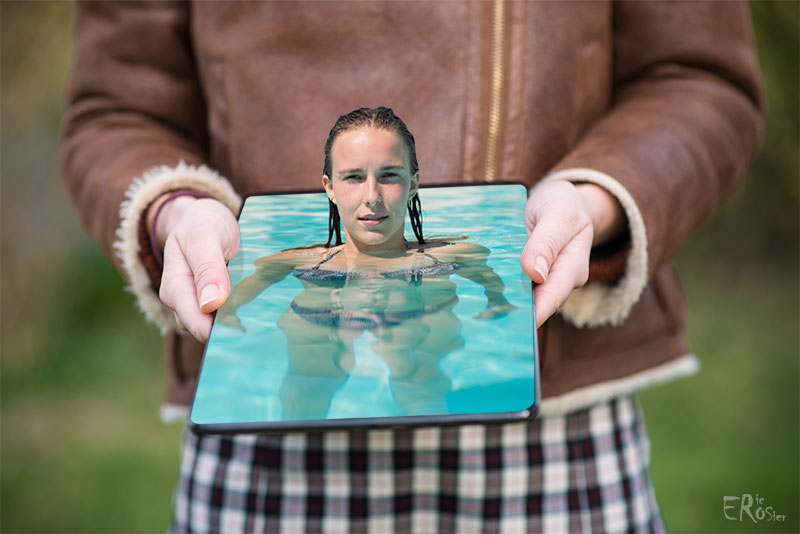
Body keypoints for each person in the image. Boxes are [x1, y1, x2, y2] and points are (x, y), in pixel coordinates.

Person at [61, 1, 763, 532]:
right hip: (270, 418)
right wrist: (175, 211)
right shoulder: (303, 262)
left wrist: (595, 199)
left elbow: (697, 77)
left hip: (554, 413)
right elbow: (117, 108)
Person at [216, 106, 516, 420]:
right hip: (321, 326)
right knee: (306, 387)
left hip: (416, 329)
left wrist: (497, 301)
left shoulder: (452, 255)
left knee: (418, 377)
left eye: (388, 176)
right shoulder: (303, 261)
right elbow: (249, 285)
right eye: (354, 178)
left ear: (413, 184)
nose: (371, 196)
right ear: (329, 187)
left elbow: (490, 280)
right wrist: (229, 313)